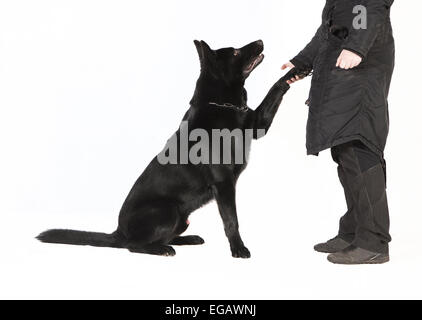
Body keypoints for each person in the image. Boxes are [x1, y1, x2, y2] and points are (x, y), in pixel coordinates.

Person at [282, 0, 395, 264]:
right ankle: (353, 231)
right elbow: (329, 31)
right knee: (344, 152)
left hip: (362, 72)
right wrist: (302, 62)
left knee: (359, 149)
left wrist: (356, 46)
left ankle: (373, 242)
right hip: (344, 74)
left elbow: (371, 9)